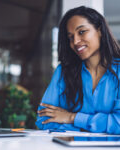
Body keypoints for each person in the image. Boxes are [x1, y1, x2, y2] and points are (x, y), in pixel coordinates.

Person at [35, 6, 120, 134]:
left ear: (100, 30)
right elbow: (44, 119)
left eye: (81, 32)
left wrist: (72, 118)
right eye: (70, 37)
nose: (75, 41)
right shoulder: (63, 72)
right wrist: (98, 126)